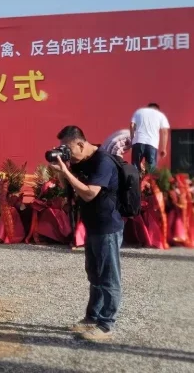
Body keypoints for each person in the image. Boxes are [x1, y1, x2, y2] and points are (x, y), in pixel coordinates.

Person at [50, 125, 124, 341]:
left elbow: (90, 193)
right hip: (93, 227)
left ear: (81, 144)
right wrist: (63, 172)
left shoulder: (103, 161)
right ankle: (92, 318)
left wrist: (66, 172)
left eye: (67, 149)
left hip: (107, 228)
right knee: (95, 274)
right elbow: (75, 190)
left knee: (109, 277)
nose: (66, 154)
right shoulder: (83, 161)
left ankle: (106, 325)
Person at [130, 103, 170, 171]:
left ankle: (134, 181)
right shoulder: (160, 115)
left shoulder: (139, 112)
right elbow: (165, 132)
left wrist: (132, 140)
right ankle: (148, 181)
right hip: (152, 144)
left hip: (138, 142)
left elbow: (132, 126)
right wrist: (163, 148)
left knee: (135, 168)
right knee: (150, 171)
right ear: (157, 109)